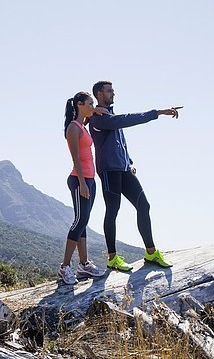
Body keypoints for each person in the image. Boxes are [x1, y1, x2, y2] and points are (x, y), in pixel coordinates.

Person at [89, 80, 180, 271]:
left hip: (123, 169)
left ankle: (151, 252)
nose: (113, 93)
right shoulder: (98, 118)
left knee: (144, 205)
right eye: (109, 91)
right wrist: (158, 112)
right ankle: (112, 258)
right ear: (99, 94)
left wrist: (129, 161)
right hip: (109, 171)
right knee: (112, 211)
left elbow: (120, 141)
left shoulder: (109, 114)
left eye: (113, 90)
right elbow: (127, 120)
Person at [58, 91, 108, 285]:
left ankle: (84, 264)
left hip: (89, 179)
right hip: (80, 179)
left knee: (84, 221)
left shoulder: (82, 125)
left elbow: (97, 112)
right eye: (89, 104)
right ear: (79, 105)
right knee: (79, 220)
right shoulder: (73, 128)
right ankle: (64, 267)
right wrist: (82, 183)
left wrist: (94, 109)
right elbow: (75, 158)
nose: (92, 107)